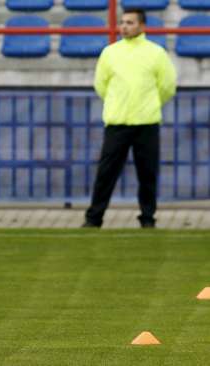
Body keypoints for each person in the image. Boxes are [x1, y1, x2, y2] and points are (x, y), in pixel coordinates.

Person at [83, 8, 177, 228]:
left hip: (146, 123)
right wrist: (118, 104)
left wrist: (150, 104)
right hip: (117, 124)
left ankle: (147, 218)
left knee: (147, 175)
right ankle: (94, 218)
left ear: (142, 26)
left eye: (130, 23)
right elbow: (101, 85)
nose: (124, 26)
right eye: (123, 22)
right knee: (105, 174)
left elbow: (167, 86)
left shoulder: (156, 53)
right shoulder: (110, 52)